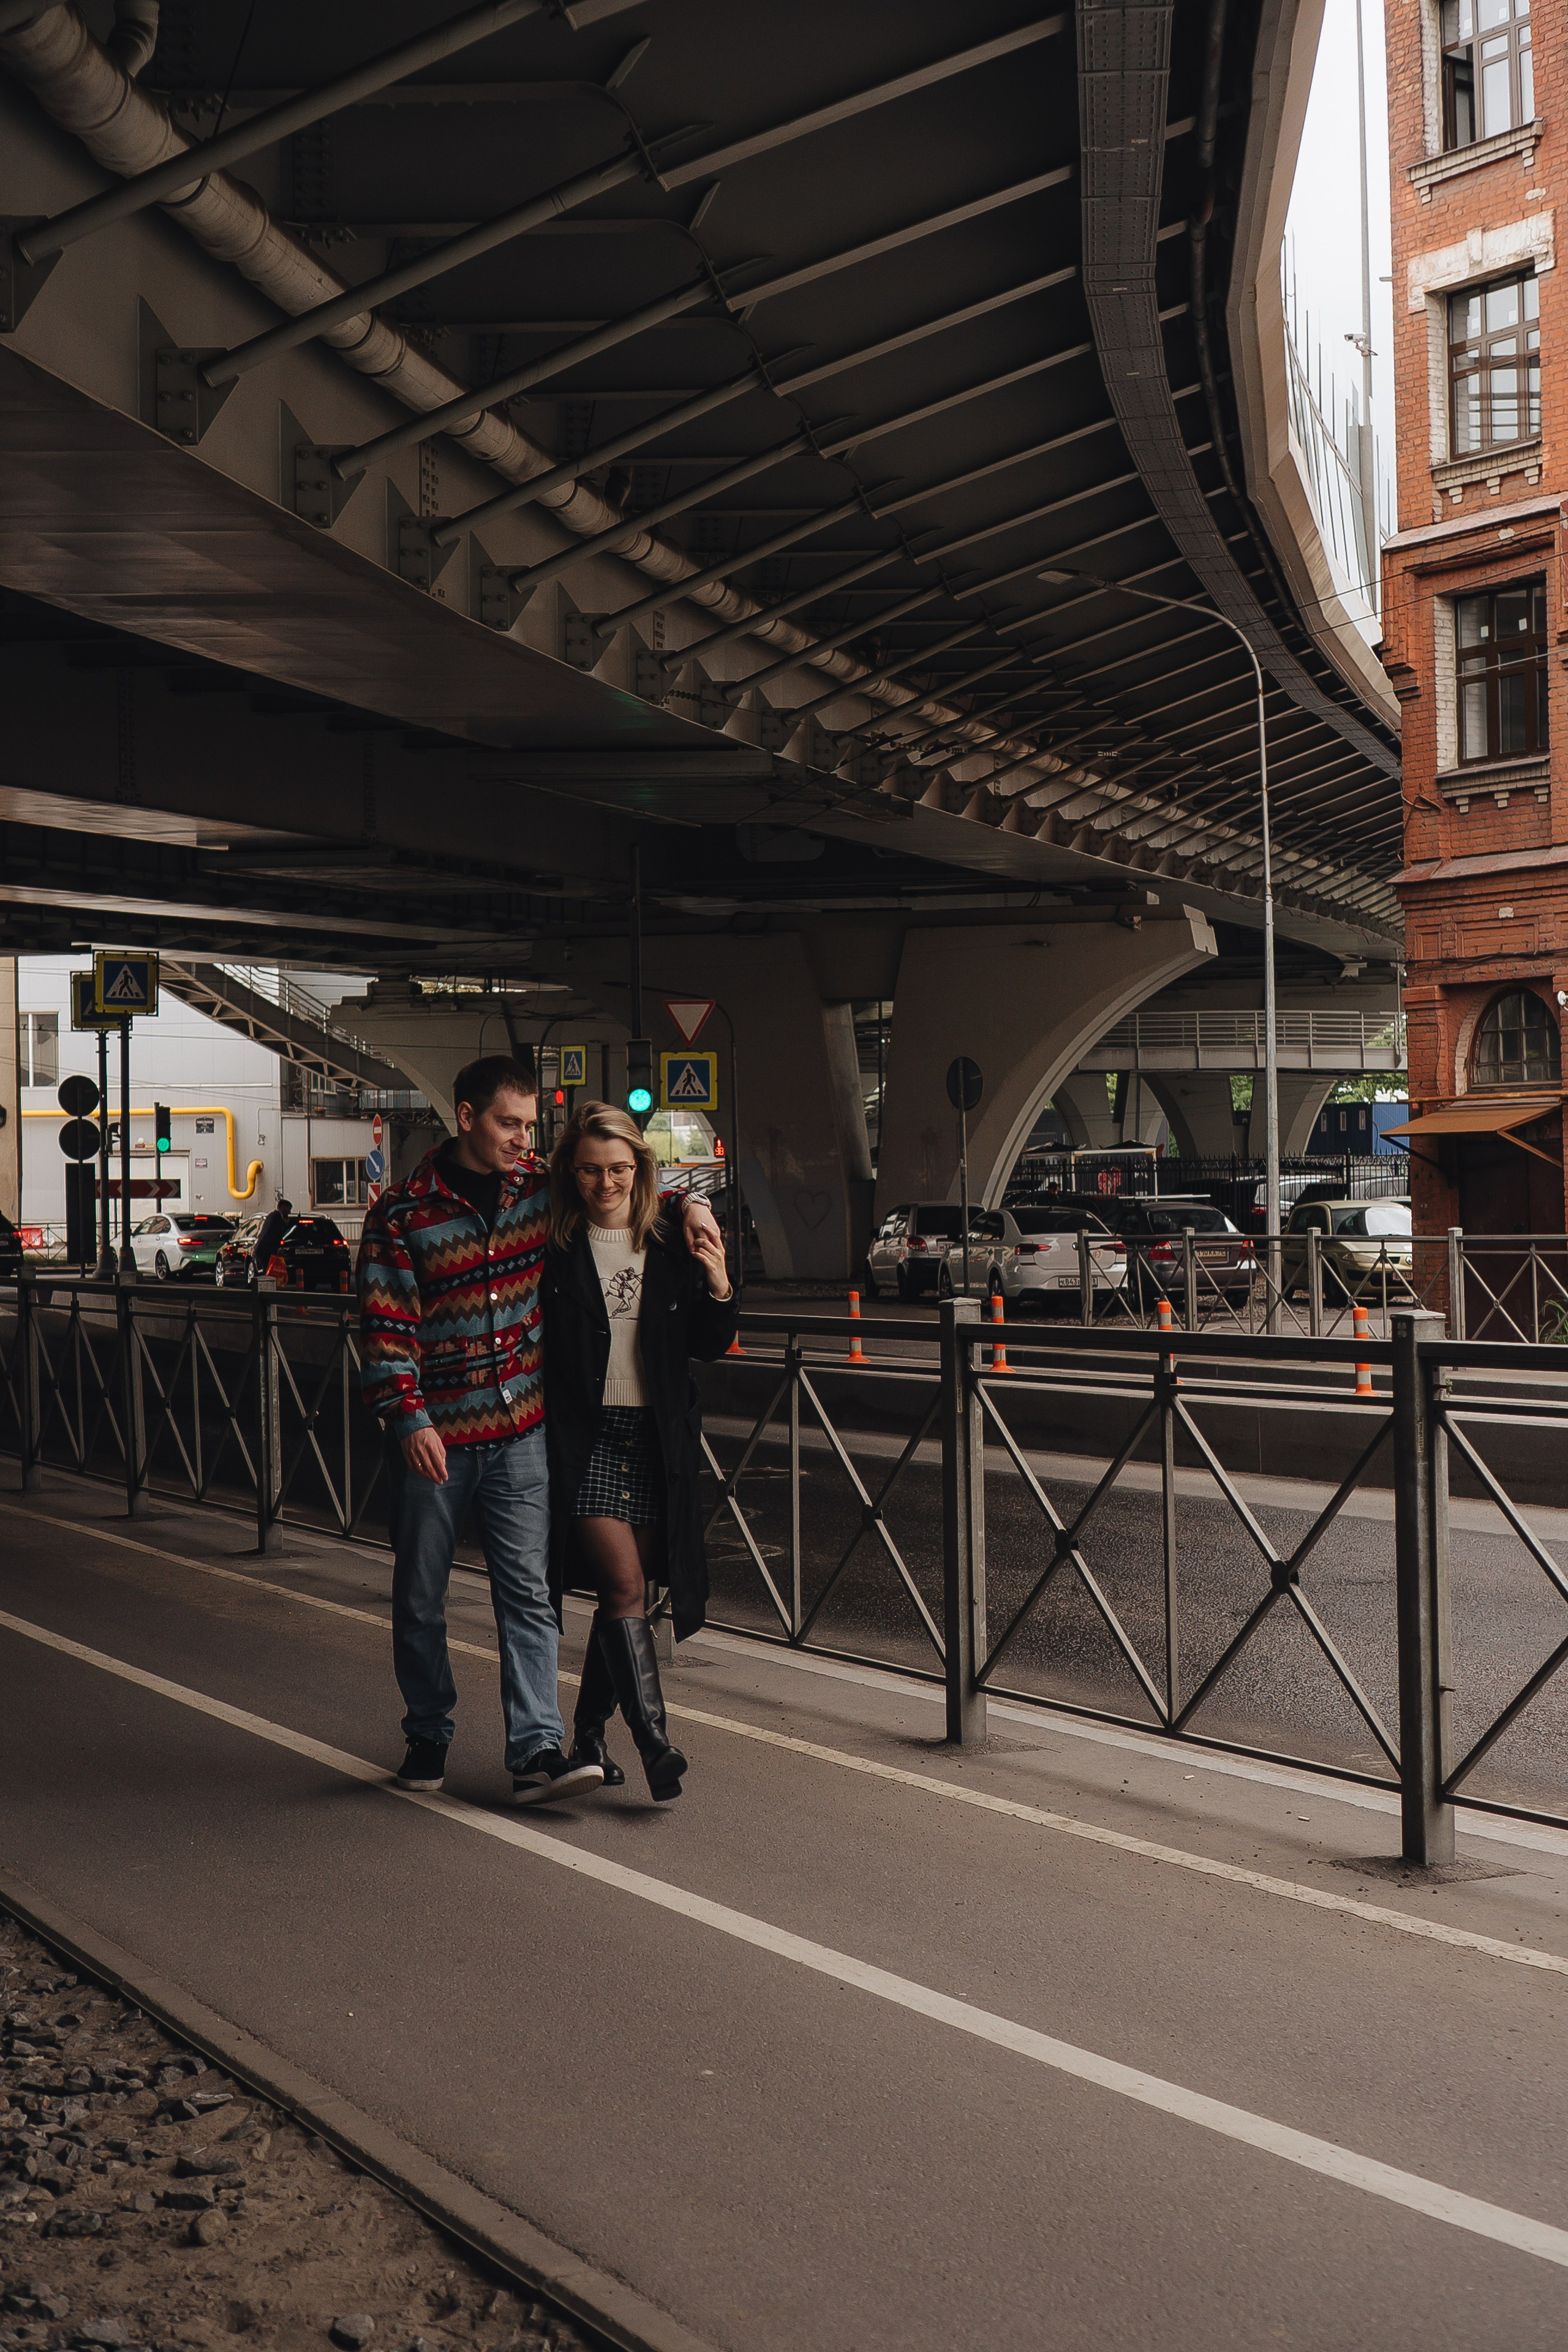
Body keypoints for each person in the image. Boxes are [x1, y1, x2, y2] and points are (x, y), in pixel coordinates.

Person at [357, 1055, 720, 1805]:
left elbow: (621, 1178)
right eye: (509, 1123)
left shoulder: (538, 1191)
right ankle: (429, 1731)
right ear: (466, 1117)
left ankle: (536, 1751)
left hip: (522, 1431)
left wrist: (690, 1208)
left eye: (530, 1125)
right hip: (438, 1440)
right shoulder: (402, 1213)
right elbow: (386, 1329)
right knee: (420, 1596)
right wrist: (408, 1416)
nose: (524, 1138)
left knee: (528, 1595)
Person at [541, 1102, 737, 1802]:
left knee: (632, 1594)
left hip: (655, 1439)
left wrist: (717, 1281)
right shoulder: (555, 1244)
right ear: (571, 1169)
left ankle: (590, 1738)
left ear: (639, 1169)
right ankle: (654, 1739)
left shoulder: (667, 1237)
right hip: (587, 1439)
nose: (605, 1184)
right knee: (622, 1586)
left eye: (619, 1169)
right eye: (591, 1169)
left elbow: (708, 1344)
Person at [252, 1196, 292, 1275]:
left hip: (261, 1249)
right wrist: (285, 1225)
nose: (289, 1212)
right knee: (268, 1272)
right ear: (283, 1207)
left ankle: (266, 1285)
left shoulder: (272, 1215)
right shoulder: (277, 1217)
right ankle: (267, 1286)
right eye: (289, 1209)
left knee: (267, 1271)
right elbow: (277, 1234)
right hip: (266, 1250)